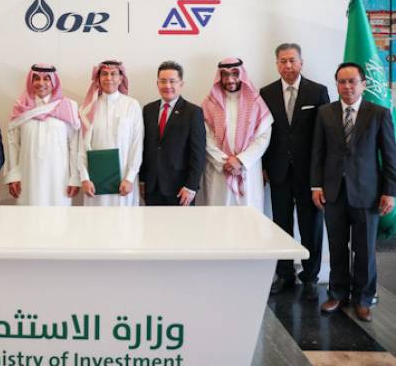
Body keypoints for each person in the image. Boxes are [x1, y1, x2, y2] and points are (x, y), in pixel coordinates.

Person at [311, 62, 396, 322]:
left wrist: (390, 192)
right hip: (333, 192)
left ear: (363, 84)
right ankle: (337, 293)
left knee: (365, 249)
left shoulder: (379, 113)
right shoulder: (325, 112)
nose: (347, 86)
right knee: (337, 247)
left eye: (352, 81)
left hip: (367, 194)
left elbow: (390, 155)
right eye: (342, 82)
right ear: (336, 84)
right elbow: (317, 152)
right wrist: (316, 185)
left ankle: (363, 298)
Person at [261, 44, 329, 300]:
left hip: (309, 173)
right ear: (276, 64)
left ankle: (310, 276)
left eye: (292, 60)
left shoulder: (318, 91)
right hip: (278, 170)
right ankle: (285, 274)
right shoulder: (266, 92)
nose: (287, 65)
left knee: (311, 226)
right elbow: (262, 133)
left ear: (301, 62)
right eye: (282, 61)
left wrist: (321, 175)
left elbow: (324, 134)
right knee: (281, 224)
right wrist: (263, 166)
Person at [199, 58, 273, 210]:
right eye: (225, 75)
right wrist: (224, 162)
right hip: (220, 170)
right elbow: (204, 136)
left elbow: (263, 136)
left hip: (247, 170)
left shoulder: (256, 103)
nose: (230, 79)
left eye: (235, 74)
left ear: (242, 75)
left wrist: (241, 160)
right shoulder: (210, 103)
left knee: (248, 216)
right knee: (219, 215)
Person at [4, 64, 80, 206]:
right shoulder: (21, 107)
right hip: (28, 177)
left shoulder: (68, 106)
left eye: (46, 79)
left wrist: (75, 178)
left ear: (54, 82)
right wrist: (13, 176)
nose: (41, 83)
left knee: (58, 217)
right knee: (28, 216)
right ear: (31, 81)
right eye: (36, 78)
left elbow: (75, 145)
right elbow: (13, 144)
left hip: (59, 180)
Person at [78, 60, 144, 206]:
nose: (109, 78)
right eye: (104, 74)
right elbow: (81, 147)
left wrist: (130, 178)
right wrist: (84, 178)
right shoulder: (88, 108)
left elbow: (137, 144)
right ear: (98, 78)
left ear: (121, 78)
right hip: (94, 183)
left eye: (113, 74)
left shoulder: (132, 105)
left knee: (124, 219)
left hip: (124, 181)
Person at [140, 61, 205, 206]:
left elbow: (198, 153)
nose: (167, 86)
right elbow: (145, 147)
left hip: (181, 189)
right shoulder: (148, 110)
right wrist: (142, 180)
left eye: (172, 81)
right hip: (152, 187)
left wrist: (191, 186)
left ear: (181, 84)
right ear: (157, 83)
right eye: (163, 81)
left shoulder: (193, 112)